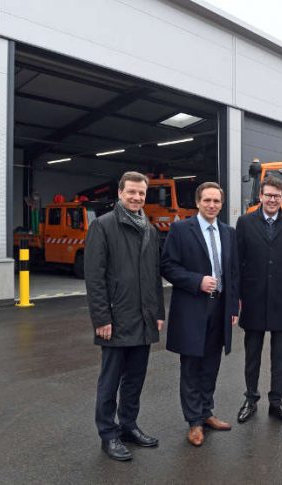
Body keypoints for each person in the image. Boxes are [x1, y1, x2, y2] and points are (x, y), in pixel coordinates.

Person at [84, 171, 165, 461]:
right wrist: (101, 318)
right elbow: (94, 278)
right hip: (116, 318)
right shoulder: (103, 227)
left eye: (141, 193)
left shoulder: (150, 229)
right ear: (120, 193)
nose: (136, 197)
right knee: (110, 380)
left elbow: (153, 276)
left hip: (143, 318)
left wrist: (157, 312)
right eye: (131, 192)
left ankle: (129, 426)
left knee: (135, 379)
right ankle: (108, 433)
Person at [161, 181, 240, 447]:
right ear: (197, 202)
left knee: (211, 365)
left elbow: (232, 273)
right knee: (192, 366)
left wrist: (232, 308)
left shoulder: (228, 232)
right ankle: (194, 422)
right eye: (207, 200)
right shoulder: (181, 229)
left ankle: (207, 413)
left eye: (216, 201)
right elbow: (168, 266)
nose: (212, 205)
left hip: (219, 309)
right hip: (193, 308)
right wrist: (197, 281)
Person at [235, 176, 282, 425]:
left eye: (277, 195)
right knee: (252, 354)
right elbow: (237, 263)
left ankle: (277, 402)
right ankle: (251, 399)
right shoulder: (244, 223)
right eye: (268, 195)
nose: (272, 199)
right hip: (253, 298)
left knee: (280, 355)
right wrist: (237, 297)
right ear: (261, 197)